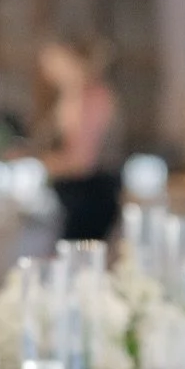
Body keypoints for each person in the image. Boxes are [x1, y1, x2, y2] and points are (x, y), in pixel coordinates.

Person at [34, 37, 123, 241]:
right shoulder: (66, 98)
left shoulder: (95, 98)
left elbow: (83, 162)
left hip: (90, 199)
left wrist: (40, 164)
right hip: (69, 197)